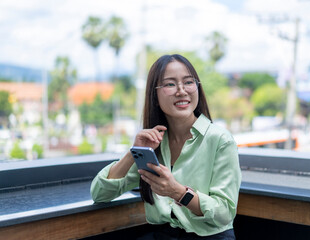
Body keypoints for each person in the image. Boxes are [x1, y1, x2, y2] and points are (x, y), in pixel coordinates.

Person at [91, 54, 241, 239]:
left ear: (197, 87)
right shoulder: (154, 143)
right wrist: (134, 153)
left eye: (188, 82)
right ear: (154, 96)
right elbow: (100, 193)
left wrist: (177, 191)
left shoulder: (220, 140)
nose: (181, 91)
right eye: (170, 84)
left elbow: (224, 214)